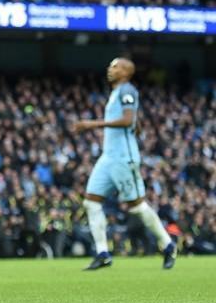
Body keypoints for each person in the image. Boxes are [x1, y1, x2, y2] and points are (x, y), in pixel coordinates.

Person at [73, 57, 176, 271]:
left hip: (122, 159)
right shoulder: (116, 93)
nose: (110, 69)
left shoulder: (127, 90)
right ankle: (103, 253)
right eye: (111, 66)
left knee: (136, 207)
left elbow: (128, 120)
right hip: (108, 157)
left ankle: (168, 245)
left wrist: (93, 124)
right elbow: (133, 123)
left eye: (116, 66)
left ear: (127, 72)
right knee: (91, 203)